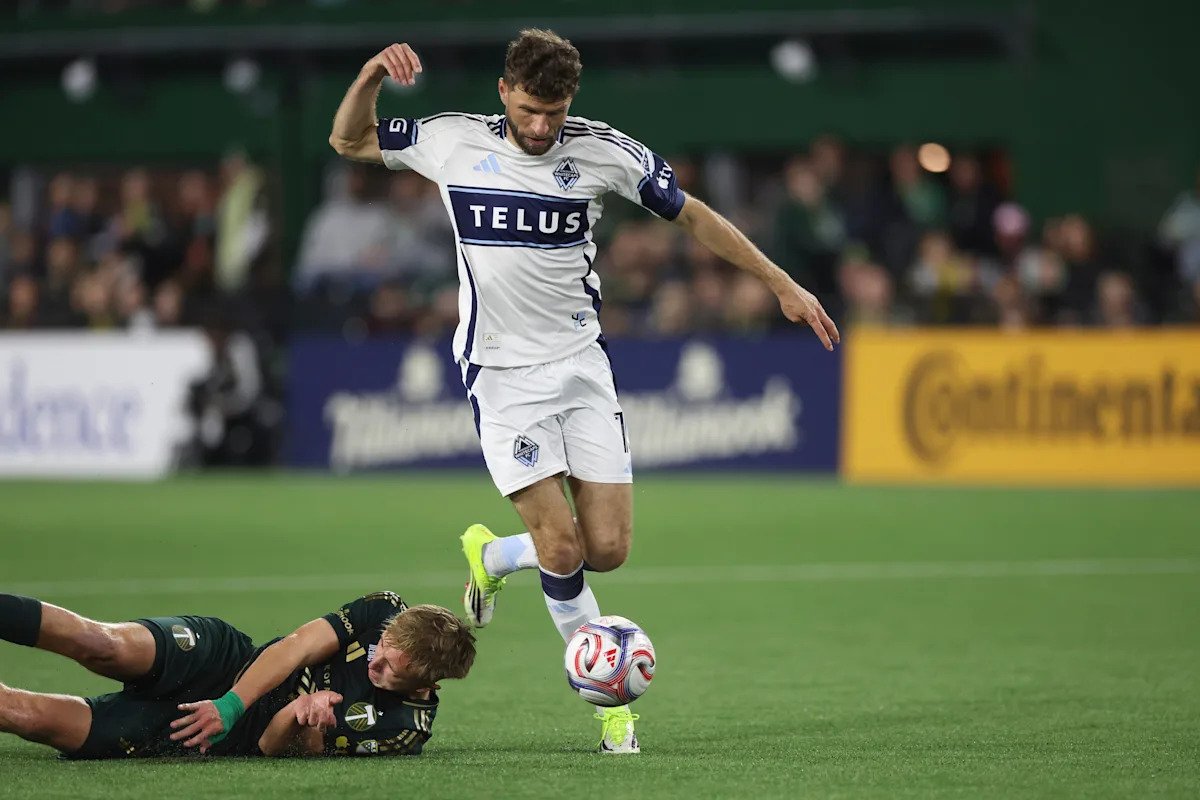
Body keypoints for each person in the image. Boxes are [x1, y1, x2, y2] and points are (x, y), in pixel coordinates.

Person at [328, 29, 840, 754]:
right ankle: (611, 712)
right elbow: (349, 140)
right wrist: (371, 75)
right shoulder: (452, 140)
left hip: (580, 368)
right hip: (502, 376)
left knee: (608, 548)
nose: (542, 127)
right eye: (529, 110)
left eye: (555, 112)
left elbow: (693, 214)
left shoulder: (603, 151)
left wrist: (780, 283)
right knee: (563, 546)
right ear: (504, 92)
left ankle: (495, 558)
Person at [0, 591, 475, 759]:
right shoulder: (385, 609)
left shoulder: (402, 729)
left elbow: (273, 747)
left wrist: (299, 715)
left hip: (215, 733)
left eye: (390, 668)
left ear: (426, 684)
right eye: (382, 645)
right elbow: (296, 646)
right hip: (226, 659)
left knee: (30, 718)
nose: (376, 661)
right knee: (104, 645)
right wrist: (230, 702)